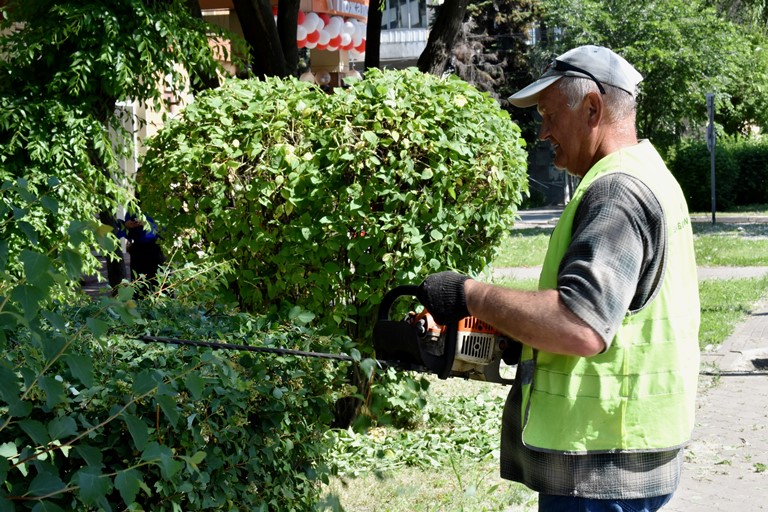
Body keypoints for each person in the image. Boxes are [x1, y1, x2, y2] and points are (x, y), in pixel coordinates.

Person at [416, 45, 700, 511]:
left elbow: (580, 325)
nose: (543, 131)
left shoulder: (616, 191)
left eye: (550, 114)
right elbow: (625, 315)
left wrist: (470, 295)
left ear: (593, 108)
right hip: (632, 454)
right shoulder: (653, 175)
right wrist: (516, 335)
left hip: (599, 466)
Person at [117, 212, 166, 296]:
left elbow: (165, 227)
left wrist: (148, 224)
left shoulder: (159, 205)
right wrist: (128, 225)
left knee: (160, 281)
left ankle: (164, 305)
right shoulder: (133, 207)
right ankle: (140, 304)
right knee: (139, 281)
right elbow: (122, 226)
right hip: (138, 247)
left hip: (157, 246)